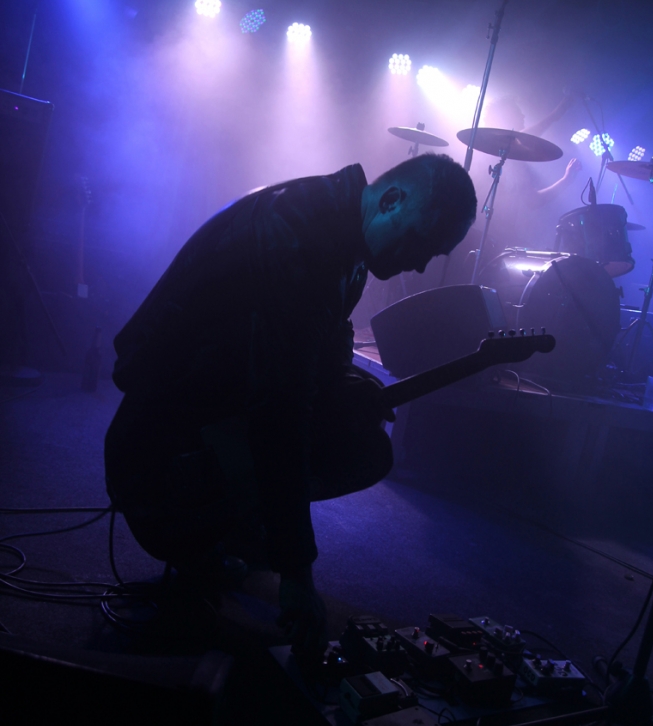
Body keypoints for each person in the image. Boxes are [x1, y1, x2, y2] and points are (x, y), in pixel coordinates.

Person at [105, 153, 476, 654]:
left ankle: (227, 527)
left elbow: (320, 349)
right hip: (156, 455)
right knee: (330, 441)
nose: (420, 264)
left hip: (204, 415)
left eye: (433, 255)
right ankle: (198, 528)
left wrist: (350, 383)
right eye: (421, 242)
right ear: (392, 200)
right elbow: (279, 410)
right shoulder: (298, 236)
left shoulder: (341, 237)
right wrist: (296, 572)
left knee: (364, 446)